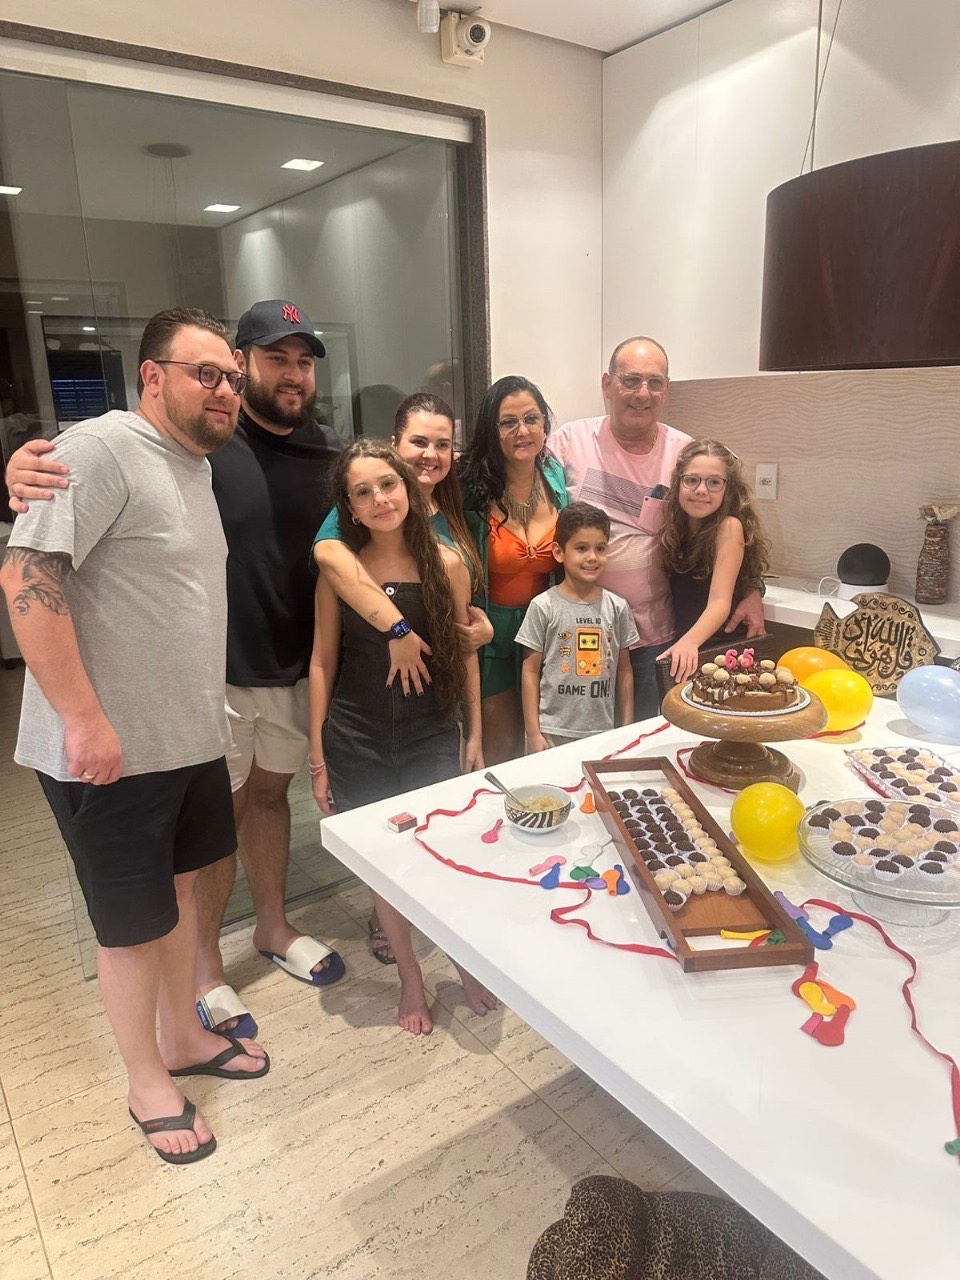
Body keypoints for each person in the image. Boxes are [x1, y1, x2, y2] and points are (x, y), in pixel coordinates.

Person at [5, 298, 348, 1039]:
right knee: (193, 852)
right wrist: (22, 469)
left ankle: (271, 929)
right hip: (198, 686)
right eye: (271, 360)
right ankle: (204, 975)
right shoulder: (195, 441)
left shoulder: (318, 451)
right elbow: (48, 533)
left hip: (277, 672)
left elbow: (387, 508)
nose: (290, 374)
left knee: (256, 812)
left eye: (304, 362)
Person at [0, 309, 269, 1165]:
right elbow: (25, 576)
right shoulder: (101, 449)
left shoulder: (192, 465)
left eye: (232, 378)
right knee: (128, 926)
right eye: (205, 373)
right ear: (151, 376)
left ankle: (183, 1039)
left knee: (181, 901)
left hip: (184, 738)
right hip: (110, 753)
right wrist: (83, 721)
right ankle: (146, 1081)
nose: (224, 390)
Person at [309, 439, 494, 1035]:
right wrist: (316, 753)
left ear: (408, 489)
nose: (379, 499)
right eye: (362, 492)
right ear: (349, 507)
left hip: (430, 730)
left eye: (387, 484)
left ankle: (464, 962)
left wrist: (474, 733)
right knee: (383, 867)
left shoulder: (448, 563)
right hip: (356, 734)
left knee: (442, 857)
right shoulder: (342, 569)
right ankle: (410, 977)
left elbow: (465, 653)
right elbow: (322, 661)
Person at [548, 337, 765, 720]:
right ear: (607, 384)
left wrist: (752, 589)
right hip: (584, 628)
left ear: (666, 389)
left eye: (655, 382)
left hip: (656, 636)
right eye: (631, 380)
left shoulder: (683, 452)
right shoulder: (569, 442)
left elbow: (724, 527)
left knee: (646, 735)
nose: (642, 394)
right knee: (583, 733)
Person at [457, 376, 569, 764]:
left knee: (547, 744)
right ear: (492, 431)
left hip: (544, 631)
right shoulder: (468, 487)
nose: (523, 431)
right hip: (490, 633)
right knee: (499, 749)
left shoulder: (555, 478)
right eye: (508, 422)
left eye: (531, 418)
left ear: (545, 424)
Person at [517, 502, 639, 751]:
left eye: (600, 548)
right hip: (553, 733)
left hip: (603, 733)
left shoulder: (617, 607)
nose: (592, 557)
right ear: (559, 552)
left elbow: (624, 671)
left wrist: (626, 728)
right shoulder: (543, 606)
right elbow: (530, 672)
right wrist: (533, 733)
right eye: (581, 548)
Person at [658, 440, 771, 682]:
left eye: (714, 482)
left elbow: (720, 603)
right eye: (691, 480)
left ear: (728, 488)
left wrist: (688, 642)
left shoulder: (728, 527)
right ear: (678, 483)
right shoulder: (676, 526)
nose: (701, 490)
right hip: (690, 645)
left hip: (722, 653)